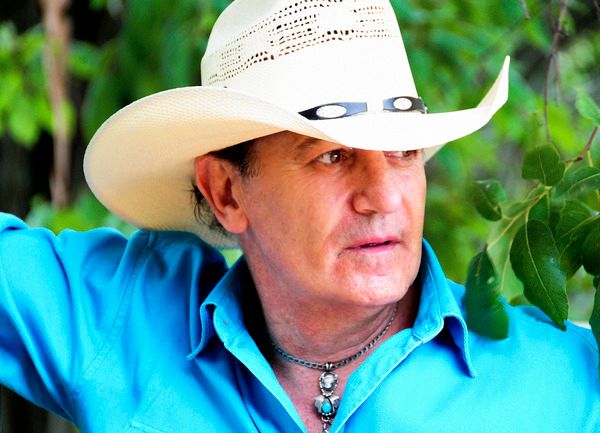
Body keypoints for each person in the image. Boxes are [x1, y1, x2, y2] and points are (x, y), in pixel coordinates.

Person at [1, 0, 599, 432]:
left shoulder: (565, 379)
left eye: (403, 152)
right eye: (332, 156)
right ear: (226, 193)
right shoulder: (128, 320)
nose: (383, 197)